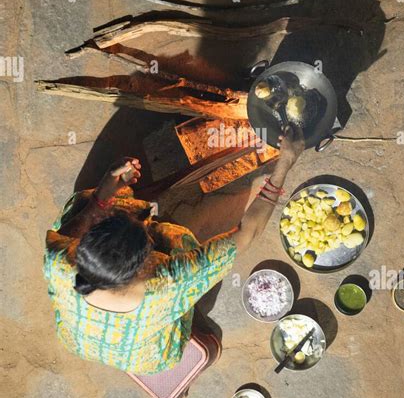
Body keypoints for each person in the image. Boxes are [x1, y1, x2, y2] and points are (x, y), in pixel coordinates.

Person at [43, 126, 305, 375]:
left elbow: (72, 225)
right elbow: (247, 233)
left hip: (80, 345)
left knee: (81, 203)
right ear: (147, 263)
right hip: (151, 359)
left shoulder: (59, 261)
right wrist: (284, 164)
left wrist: (106, 189)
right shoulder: (171, 283)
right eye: (147, 232)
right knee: (179, 239)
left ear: (83, 246)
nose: (148, 221)